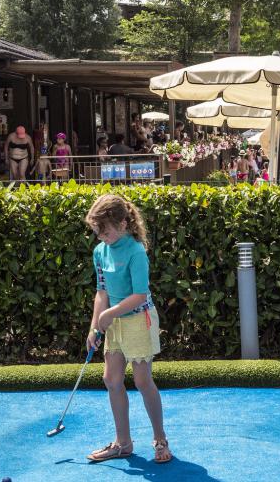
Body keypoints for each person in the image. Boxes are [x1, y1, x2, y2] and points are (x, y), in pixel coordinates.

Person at [84, 195, 172, 464]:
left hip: (138, 319)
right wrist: (94, 325)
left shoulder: (136, 252)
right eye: (97, 232)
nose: (101, 237)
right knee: (111, 379)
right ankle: (123, 443)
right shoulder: (100, 252)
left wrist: (110, 314)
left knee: (143, 381)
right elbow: (102, 292)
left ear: (123, 223)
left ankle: (160, 440)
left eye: (106, 231)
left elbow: (139, 295)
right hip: (115, 322)